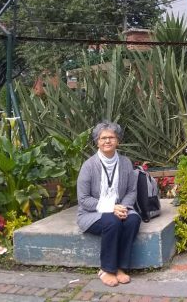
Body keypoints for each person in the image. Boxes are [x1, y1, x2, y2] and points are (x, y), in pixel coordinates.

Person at [76, 121, 141, 287]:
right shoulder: (89, 166)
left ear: (117, 140)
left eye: (111, 137)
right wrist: (111, 208)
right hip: (92, 213)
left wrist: (123, 208)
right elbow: (83, 199)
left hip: (121, 208)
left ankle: (120, 268)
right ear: (97, 142)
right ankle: (106, 269)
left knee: (133, 220)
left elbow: (131, 191)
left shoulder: (125, 162)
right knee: (112, 221)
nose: (107, 141)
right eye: (103, 138)